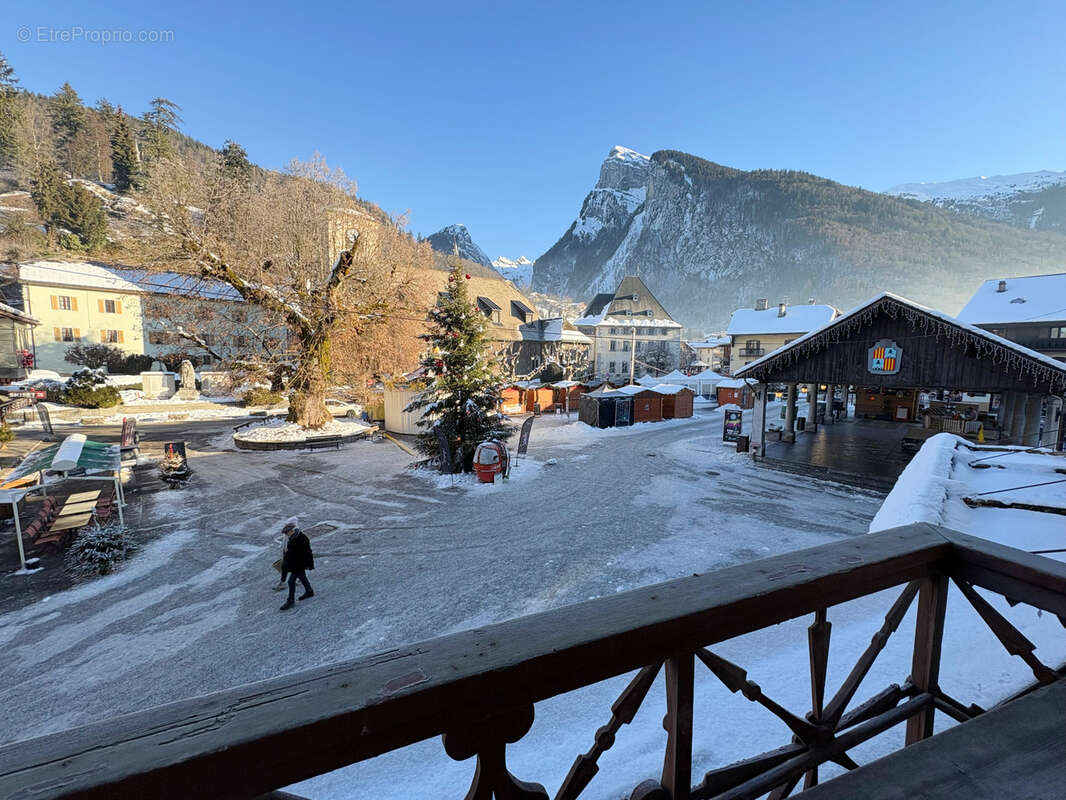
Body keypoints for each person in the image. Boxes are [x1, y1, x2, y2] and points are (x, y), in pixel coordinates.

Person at [279, 522, 315, 611]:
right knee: (302, 577)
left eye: (287, 533)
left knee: (291, 582)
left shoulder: (299, 539)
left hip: (299, 564)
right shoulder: (295, 537)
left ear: (291, 531)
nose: (286, 535)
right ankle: (309, 591)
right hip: (298, 563)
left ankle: (290, 600)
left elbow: (302, 553)